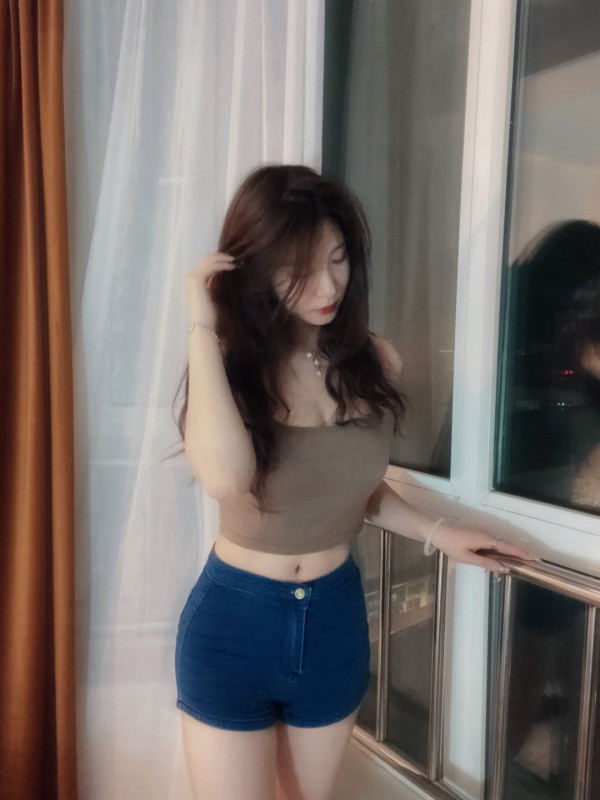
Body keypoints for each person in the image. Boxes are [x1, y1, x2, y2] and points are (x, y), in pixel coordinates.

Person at [171, 164, 537, 800]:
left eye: (338, 259)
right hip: (235, 622)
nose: (328, 285)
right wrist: (202, 324)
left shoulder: (374, 360)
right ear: (255, 270)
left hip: (335, 617)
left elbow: (355, 489)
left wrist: (439, 531)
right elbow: (227, 479)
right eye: (299, 268)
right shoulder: (230, 373)